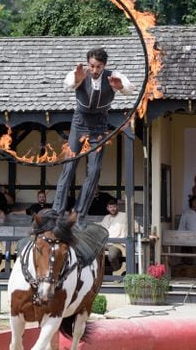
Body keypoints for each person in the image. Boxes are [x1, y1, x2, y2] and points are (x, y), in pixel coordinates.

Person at [52, 48, 136, 228]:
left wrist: (119, 86)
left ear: (104, 65)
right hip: (80, 123)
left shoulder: (112, 75)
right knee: (69, 167)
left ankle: (80, 214)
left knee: (95, 170)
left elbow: (130, 88)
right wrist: (77, 79)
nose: (95, 70)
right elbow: (67, 84)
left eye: (98, 66)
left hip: (99, 125)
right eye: (92, 66)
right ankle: (57, 213)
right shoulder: (81, 73)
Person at [99, 199, 140, 273]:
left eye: (114, 207)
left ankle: (117, 273)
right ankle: (97, 276)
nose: (112, 209)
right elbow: (100, 229)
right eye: (110, 207)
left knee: (112, 256)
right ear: (107, 208)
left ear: (117, 207)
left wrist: (147, 234)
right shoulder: (106, 218)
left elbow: (136, 226)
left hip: (117, 244)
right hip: (105, 243)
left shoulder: (124, 216)